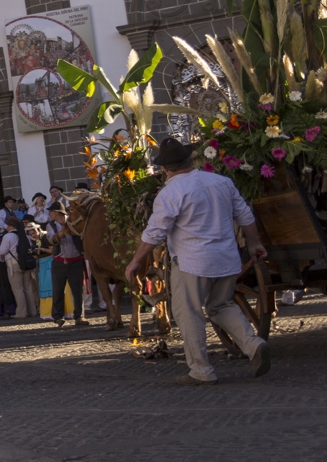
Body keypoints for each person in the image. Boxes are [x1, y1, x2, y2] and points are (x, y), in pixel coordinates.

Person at [124, 138, 271, 385]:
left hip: (191, 263)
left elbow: (155, 232)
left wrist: (136, 260)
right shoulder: (221, 182)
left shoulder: (170, 192)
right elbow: (245, 215)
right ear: (188, 160)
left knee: (188, 313)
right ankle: (254, 345)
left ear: (164, 168)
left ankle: (201, 371)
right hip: (225, 258)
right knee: (220, 306)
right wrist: (255, 243)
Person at [47, 201, 89, 327]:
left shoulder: (72, 221)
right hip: (59, 262)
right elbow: (50, 239)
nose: (49, 214)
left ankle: (79, 316)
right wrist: (59, 235)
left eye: (51, 212)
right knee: (58, 290)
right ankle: (58, 316)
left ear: (56, 213)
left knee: (77, 291)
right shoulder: (51, 225)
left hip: (75, 261)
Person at [0, 218, 37, 319]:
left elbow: (2, 251)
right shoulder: (25, 236)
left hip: (13, 264)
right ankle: (32, 310)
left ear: (10, 226)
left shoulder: (8, 236)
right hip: (26, 264)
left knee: (18, 289)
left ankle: (21, 312)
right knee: (28, 288)